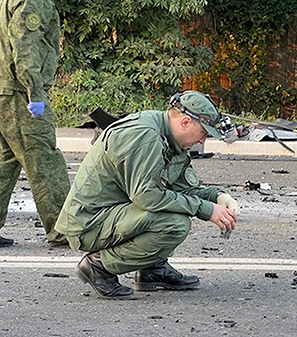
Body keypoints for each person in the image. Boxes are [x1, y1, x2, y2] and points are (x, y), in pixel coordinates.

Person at [55, 91, 240, 299]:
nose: (203, 140)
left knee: (172, 211)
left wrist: (218, 198)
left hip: (113, 214)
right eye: (204, 132)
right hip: (89, 223)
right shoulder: (145, 136)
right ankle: (99, 266)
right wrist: (205, 209)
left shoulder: (171, 138)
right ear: (186, 122)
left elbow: (180, 189)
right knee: (174, 224)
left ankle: (152, 269)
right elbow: (147, 197)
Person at [0, 0, 92, 247]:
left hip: (7, 91)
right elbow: (25, 50)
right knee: (45, 160)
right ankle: (64, 229)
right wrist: (35, 94)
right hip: (21, 94)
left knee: (6, 161)